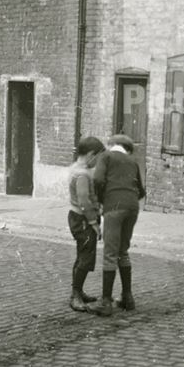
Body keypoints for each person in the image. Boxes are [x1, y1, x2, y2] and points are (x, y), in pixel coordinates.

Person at [88, 133, 145, 316]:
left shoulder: (106, 156)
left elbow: (97, 180)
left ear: (112, 144)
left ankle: (105, 302)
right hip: (132, 207)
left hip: (114, 207)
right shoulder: (132, 161)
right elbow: (141, 191)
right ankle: (128, 298)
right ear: (127, 148)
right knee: (123, 251)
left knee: (110, 253)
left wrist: (102, 199)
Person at [67, 136, 106, 312]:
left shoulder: (76, 169)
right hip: (83, 219)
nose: (97, 162)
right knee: (85, 257)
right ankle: (75, 296)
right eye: (97, 158)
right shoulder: (82, 174)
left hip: (76, 217)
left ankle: (78, 291)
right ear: (91, 154)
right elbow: (84, 200)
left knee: (82, 255)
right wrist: (94, 223)